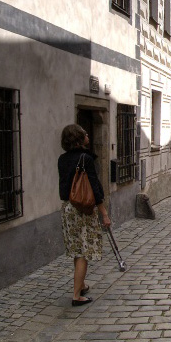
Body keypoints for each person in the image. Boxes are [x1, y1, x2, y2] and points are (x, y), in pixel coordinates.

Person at [58, 124, 110, 306]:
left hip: (67, 208)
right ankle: (76, 295)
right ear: (79, 139)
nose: (88, 135)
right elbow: (95, 188)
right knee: (83, 252)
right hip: (83, 209)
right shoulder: (85, 158)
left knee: (77, 249)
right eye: (85, 133)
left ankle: (82, 284)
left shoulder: (62, 159)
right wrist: (104, 214)